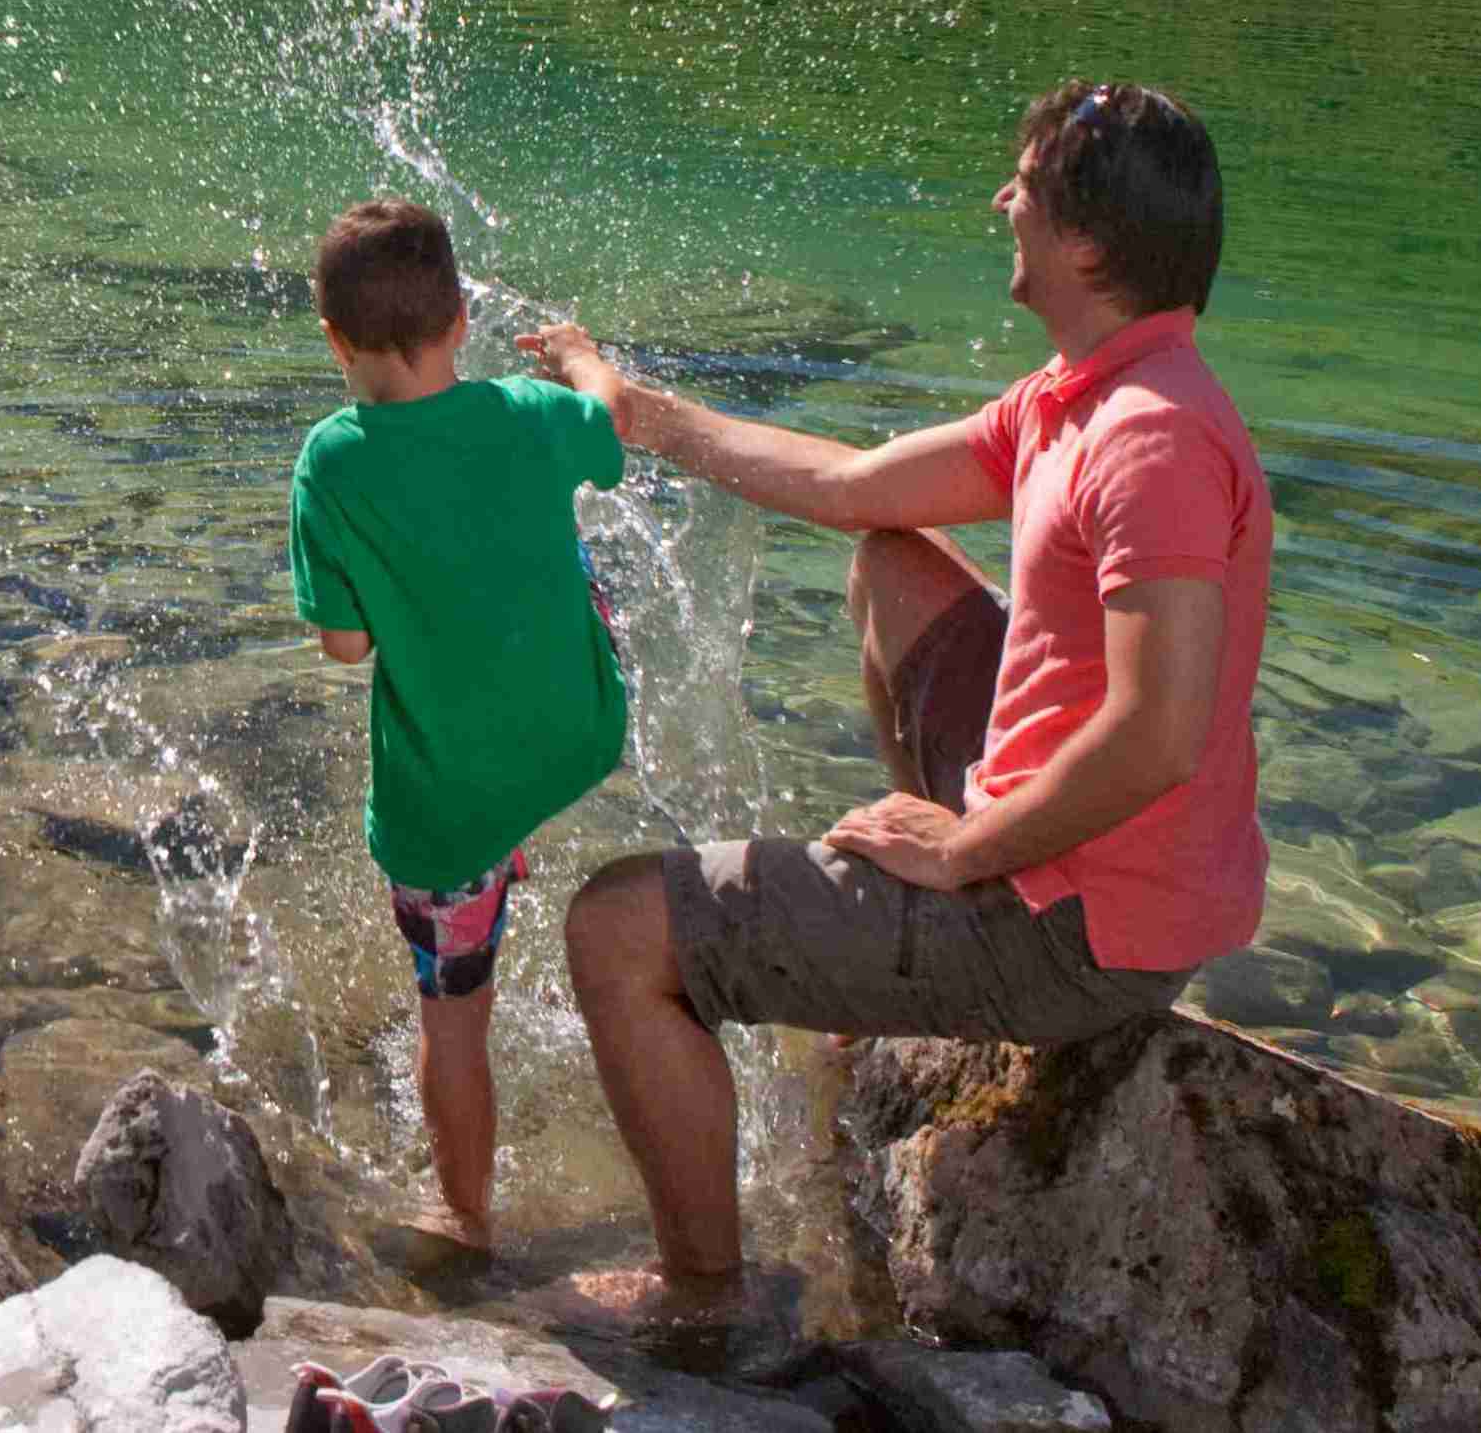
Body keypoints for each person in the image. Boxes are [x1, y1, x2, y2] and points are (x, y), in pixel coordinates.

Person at [514, 81, 1272, 1318]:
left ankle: (704, 1294)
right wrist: (637, 411)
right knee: (894, 562)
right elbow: (857, 486)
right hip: (1083, 863)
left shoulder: (1152, 442)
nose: (1001, 202)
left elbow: (1158, 732)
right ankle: (917, 924)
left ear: (1082, 242)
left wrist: (967, 844)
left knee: (616, 930)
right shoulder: (1077, 397)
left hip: (1077, 931)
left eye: (1021, 186)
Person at [287, 198, 632, 1249]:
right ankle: (509, 829)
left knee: (452, 1017)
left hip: (449, 801)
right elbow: (609, 425)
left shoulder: (329, 464)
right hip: (579, 727)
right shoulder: (531, 412)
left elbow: (345, 648)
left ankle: (464, 1212)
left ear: (334, 341)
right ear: (462, 323)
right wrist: (579, 355)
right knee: (560, 556)